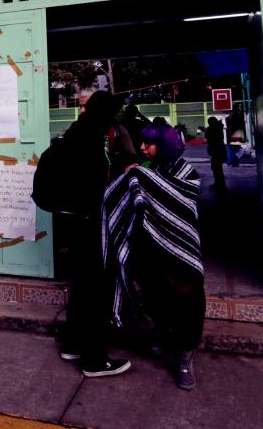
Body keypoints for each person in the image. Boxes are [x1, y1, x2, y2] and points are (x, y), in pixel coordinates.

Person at [102, 122, 205, 390]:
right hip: (151, 248)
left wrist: (141, 178)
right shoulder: (144, 170)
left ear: (166, 145)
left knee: (188, 300)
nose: (142, 148)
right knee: (155, 294)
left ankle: (184, 356)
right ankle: (161, 330)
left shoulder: (187, 173)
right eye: (142, 143)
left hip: (181, 251)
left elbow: (182, 202)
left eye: (149, 143)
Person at [56, 91, 133, 377]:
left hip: (75, 222)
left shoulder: (76, 131)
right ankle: (94, 360)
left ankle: (72, 344)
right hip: (91, 223)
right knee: (95, 289)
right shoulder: (93, 137)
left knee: (80, 284)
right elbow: (96, 181)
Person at [205, 117, 227, 189]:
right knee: (218, 168)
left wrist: (206, 130)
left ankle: (218, 184)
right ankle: (220, 183)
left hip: (215, 151)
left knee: (216, 168)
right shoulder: (219, 128)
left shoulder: (211, 129)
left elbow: (208, 138)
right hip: (220, 150)